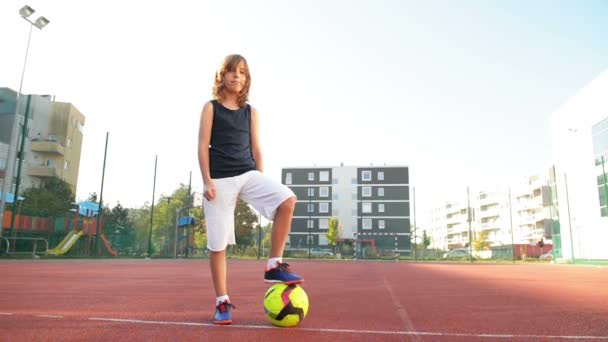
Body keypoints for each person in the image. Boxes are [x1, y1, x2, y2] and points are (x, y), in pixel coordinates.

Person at [197, 54, 304, 325]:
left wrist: (259, 176)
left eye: (242, 72)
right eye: (232, 71)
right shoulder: (211, 108)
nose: (237, 76)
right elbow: (202, 145)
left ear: (246, 79)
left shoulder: (250, 112)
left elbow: (256, 147)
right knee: (218, 245)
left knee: (287, 199)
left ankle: (273, 265)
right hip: (219, 180)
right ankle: (222, 302)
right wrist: (207, 180)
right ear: (222, 75)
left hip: (248, 173)